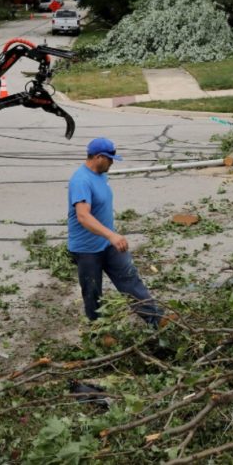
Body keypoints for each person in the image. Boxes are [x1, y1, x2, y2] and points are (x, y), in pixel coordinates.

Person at [67, 137, 164, 327]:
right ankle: (99, 332)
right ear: (98, 157)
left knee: (130, 280)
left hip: (108, 244)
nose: (112, 162)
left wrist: (111, 236)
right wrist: (111, 235)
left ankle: (157, 320)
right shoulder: (81, 180)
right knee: (93, 293)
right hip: (87, 250)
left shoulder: (101, 175)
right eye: (110, 158)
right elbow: (83, 216)